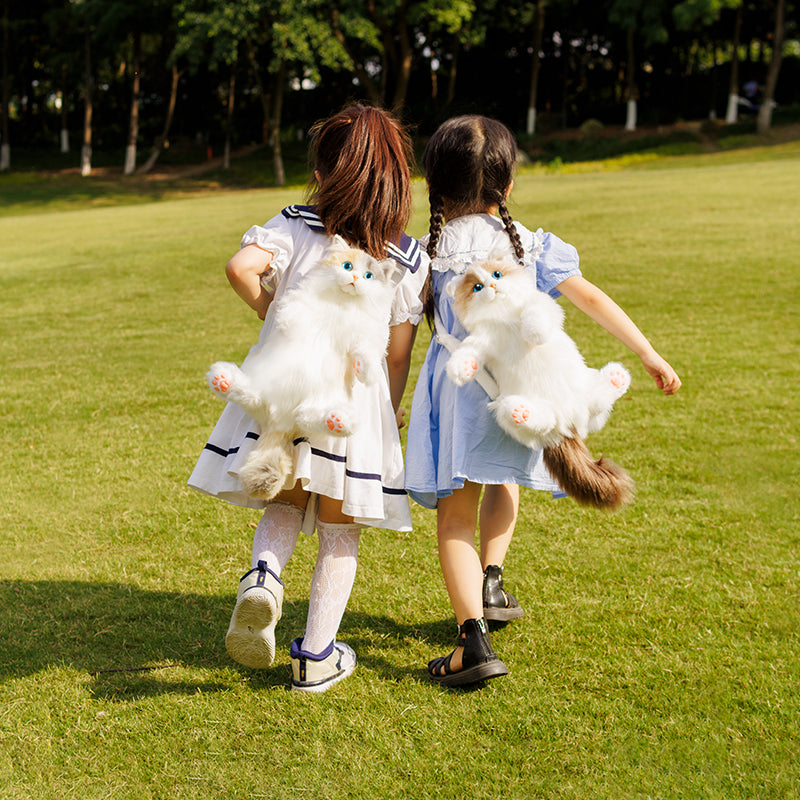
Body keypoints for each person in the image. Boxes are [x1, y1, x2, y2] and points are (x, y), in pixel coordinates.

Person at [405, 115, 681, 687]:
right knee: (502, 481)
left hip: (459, 394)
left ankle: (471, 642)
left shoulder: (424, 254)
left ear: (433, 182)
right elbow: (593, 300)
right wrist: (649, 353)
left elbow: (400, 337)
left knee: (455, 515)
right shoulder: (529, 245)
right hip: (517, 395)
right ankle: (492, 579)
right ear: (507, 187)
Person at [189, 104, 427, 693]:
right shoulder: (403, 255)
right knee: (340, 531)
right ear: (396, 182)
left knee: (285, 504)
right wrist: (388, 410)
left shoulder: (296, 222)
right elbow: (396, 353)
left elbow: (241, 266)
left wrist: (274, 319)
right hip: (352, 408)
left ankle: (264, 581)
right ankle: (317, 657)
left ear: (322, 174)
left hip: (286, 390)